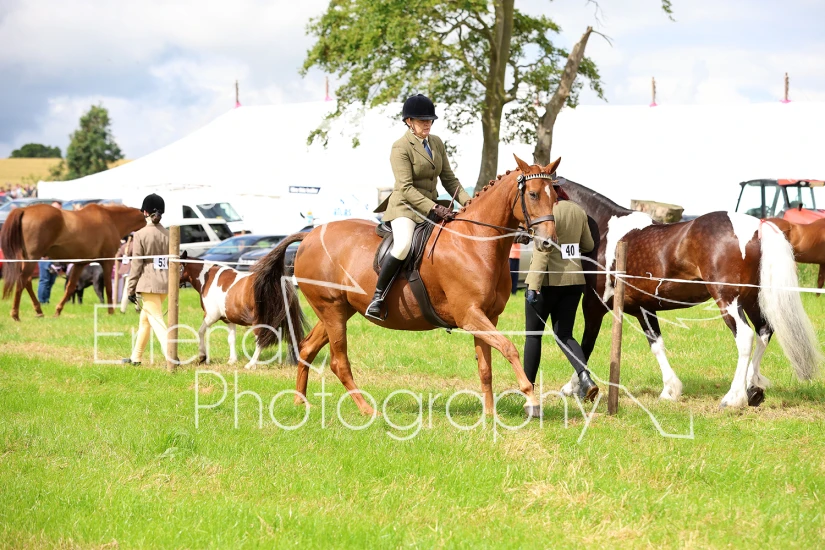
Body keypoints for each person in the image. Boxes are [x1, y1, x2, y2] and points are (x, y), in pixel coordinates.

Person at [368, 94, 472, 320]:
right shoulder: (400, 147)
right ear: (409, 121)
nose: (428, 124)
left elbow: (450, 179)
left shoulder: (436, 143)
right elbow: (405, 188)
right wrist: (434, 207)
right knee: (403, 245)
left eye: (430, 120)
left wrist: (470, 203)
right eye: (422, 120)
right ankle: (378, 297)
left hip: (431, 207)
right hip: (405, 208)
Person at [523, 187, 598, 400]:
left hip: (546, 282)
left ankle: (528, 390)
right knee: (565, 334)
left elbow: (541, 251)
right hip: (574, 282)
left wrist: (533, 285)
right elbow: (588, 245)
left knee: (533, 336)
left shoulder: (545, 212)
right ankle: (585, 377)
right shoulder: (578, 211)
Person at [122, 194, 170, 365]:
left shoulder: (140, 235)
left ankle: (171, 356)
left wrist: (131, 288)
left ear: (145, 212)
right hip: (166, 284)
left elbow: (136, 265)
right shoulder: (169, 234)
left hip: (149, 284)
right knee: (145, 321)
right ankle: (136, 357)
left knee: (156, 320)